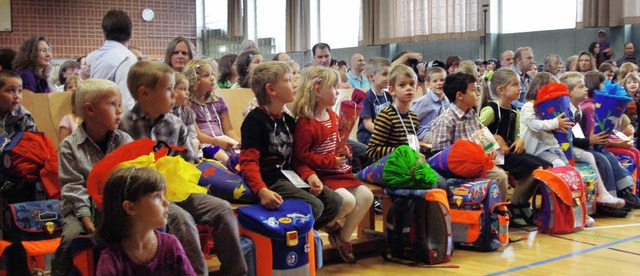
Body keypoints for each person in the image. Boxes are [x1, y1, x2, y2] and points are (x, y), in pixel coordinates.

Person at [119, 61, 247, 275]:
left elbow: (189, 161)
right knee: (182, 220)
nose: (174, 95)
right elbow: (124, 174)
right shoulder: (124, 126)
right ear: (145, 94)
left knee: (222, 209)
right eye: (168, 90)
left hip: (179, 190)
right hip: (146, 197)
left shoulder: (175, 124)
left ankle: (236, 272)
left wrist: (182, 170)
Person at [239, 61, 343, 232]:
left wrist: (309, 176)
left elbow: (295, 158)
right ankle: (287, 236)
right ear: (271, 90)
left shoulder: (288, 120)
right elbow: (248, 162)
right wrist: (261, 190)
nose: (295, 83)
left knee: (334, 202)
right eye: (288, 80)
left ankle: (301, 233)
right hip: (269, 179)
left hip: (289, 175)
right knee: (314, 206)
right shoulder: (254, 120)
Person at [51, 78, 133, 275]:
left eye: (120, 104)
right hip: (80, 210)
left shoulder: (124, 140)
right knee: (72, 240)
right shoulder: (69, 146)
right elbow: (73, 188)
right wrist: (88, 222)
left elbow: (133, 178)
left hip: (117, 206)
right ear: (90, 110)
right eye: (113, 104)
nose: (120, 111)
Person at [292, 66, 373, 263]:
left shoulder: (333, 116)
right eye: (334, 88)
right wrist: (329, 160)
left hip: (336, 172)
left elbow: (337, 144)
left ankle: (342, 237)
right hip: (320, 174)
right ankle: (330, 225)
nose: (338, 92)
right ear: (317, 89)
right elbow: (301, 157)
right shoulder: (306, 122)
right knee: (347, 201)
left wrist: (345, 151)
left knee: (366, 196)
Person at [96, 167, 195, 275]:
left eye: (163, 195)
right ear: (130, 208)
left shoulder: (171, 244)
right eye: (157, 196)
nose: (166, 203)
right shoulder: (111, 259)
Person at [430, 72, 510, 201]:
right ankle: (492, 212)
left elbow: (485, 140)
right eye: (473, 90)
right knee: (499, 177)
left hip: (478, 163)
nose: (478, 94)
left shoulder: (472, 115)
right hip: (459, 169)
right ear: (460, 95)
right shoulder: (445, 120)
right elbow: (440, 155)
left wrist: (491, 151)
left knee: (502, 173)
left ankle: (497, 211)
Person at [479, 68, 552, 206]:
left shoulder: (514, 111)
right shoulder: (491, 109)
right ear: (501, 90)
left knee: (545, 166)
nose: (520, 88)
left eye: (519, 84)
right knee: (535, 167)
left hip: (508, 153)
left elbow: (515, 136)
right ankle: (514, 206)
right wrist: (495, 138)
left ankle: (518, 202)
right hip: (492, 155)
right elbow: (476, 132)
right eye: (515, 85)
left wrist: (520, 140)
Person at [570, 72, 640, 210]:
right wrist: (592, 140)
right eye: (581, 86)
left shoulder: (581, 109)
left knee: (611, 156)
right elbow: (583, 138)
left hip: (585, 144)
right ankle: (610, 196)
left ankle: (624, 191)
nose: (585, 89)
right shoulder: (588, 107)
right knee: (603, 158)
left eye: (585, 86)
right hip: (582, 147)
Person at [184, 59, 240, 163]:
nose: (212, 78)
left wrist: (237, 140)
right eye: (206, 75)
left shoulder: (218, 101)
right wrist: (216, 142)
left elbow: (229, 130)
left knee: (242, 156)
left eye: (212, 74)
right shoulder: (188, 105)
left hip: (222, 140)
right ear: (194, 80)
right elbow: (197, 134)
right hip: (205, 144)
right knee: (224, 159)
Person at [366, 64, 421, 160]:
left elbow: (412, 147)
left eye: (412, 84)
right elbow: (372, 151)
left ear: (416, 88)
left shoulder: (413, 117)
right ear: (392, 90)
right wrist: (403, 152)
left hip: (407, 163)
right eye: (402, 85)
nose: (408, 88)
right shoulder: (386, 116)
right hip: (389, 167)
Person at [87, 10, 137, 113]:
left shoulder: (93, 57)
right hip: (114, 121)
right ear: (130, 33)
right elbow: (126, 104)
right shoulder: (127, 58)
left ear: (104, 32)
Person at [357, 57, 392, 145]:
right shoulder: (366, 98)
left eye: (390, 74)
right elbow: (368, 124)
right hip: (368, 136)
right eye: (384, 74)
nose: (388, 78)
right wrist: (384, 135)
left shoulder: (389, 96)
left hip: (384, 136)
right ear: (372, 77)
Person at [411, 66, 449, 142]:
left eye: (442, 80)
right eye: (435, 81)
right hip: (426, 133)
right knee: (443, 139)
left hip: (441, 131)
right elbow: (411, 119)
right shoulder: (424, 101)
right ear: (428, 85)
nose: (439, 83)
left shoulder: (446, 100)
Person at [0, 70, 36, 136]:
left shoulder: (23, 116)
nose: (17, 96)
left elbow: (33, 141)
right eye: (10, 90)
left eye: (20, 91)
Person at [171, 72, 199, 151]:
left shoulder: (187, 112)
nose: (188, 93)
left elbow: (193, 136)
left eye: (187, 89)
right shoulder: (161, 112)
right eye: (183, 89)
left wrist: (194, 147)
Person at [58, 76, 83, 141]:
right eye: (70, 87)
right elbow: (63, 146)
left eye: (77, 86)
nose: (74, 89)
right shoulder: (68, 119)